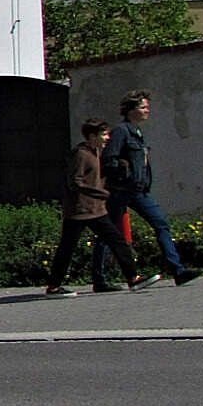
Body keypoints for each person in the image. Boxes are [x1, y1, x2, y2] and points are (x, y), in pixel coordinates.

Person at [92, 90, 201, 288]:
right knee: (108, 233)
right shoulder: (122, 131)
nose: (146, 111)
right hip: (121, 191)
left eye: (146, 107)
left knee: (161, 223)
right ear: (131, 110)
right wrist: (124, 173)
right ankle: (99, 278)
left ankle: (177, 270)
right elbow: (108, 160)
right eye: (143, 107)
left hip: (139, 191)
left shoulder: (138, 133)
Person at [48, 119, 159, 296]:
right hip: (79, 211)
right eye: (104, 134)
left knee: (117, 240)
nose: (108, 137)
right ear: (92, 136)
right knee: (67, 248)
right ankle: (54, 286)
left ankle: (133, 278)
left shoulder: (98, 152)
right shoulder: (81, 154)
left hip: (96, 210)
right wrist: (100, 193)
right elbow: (75, 182)